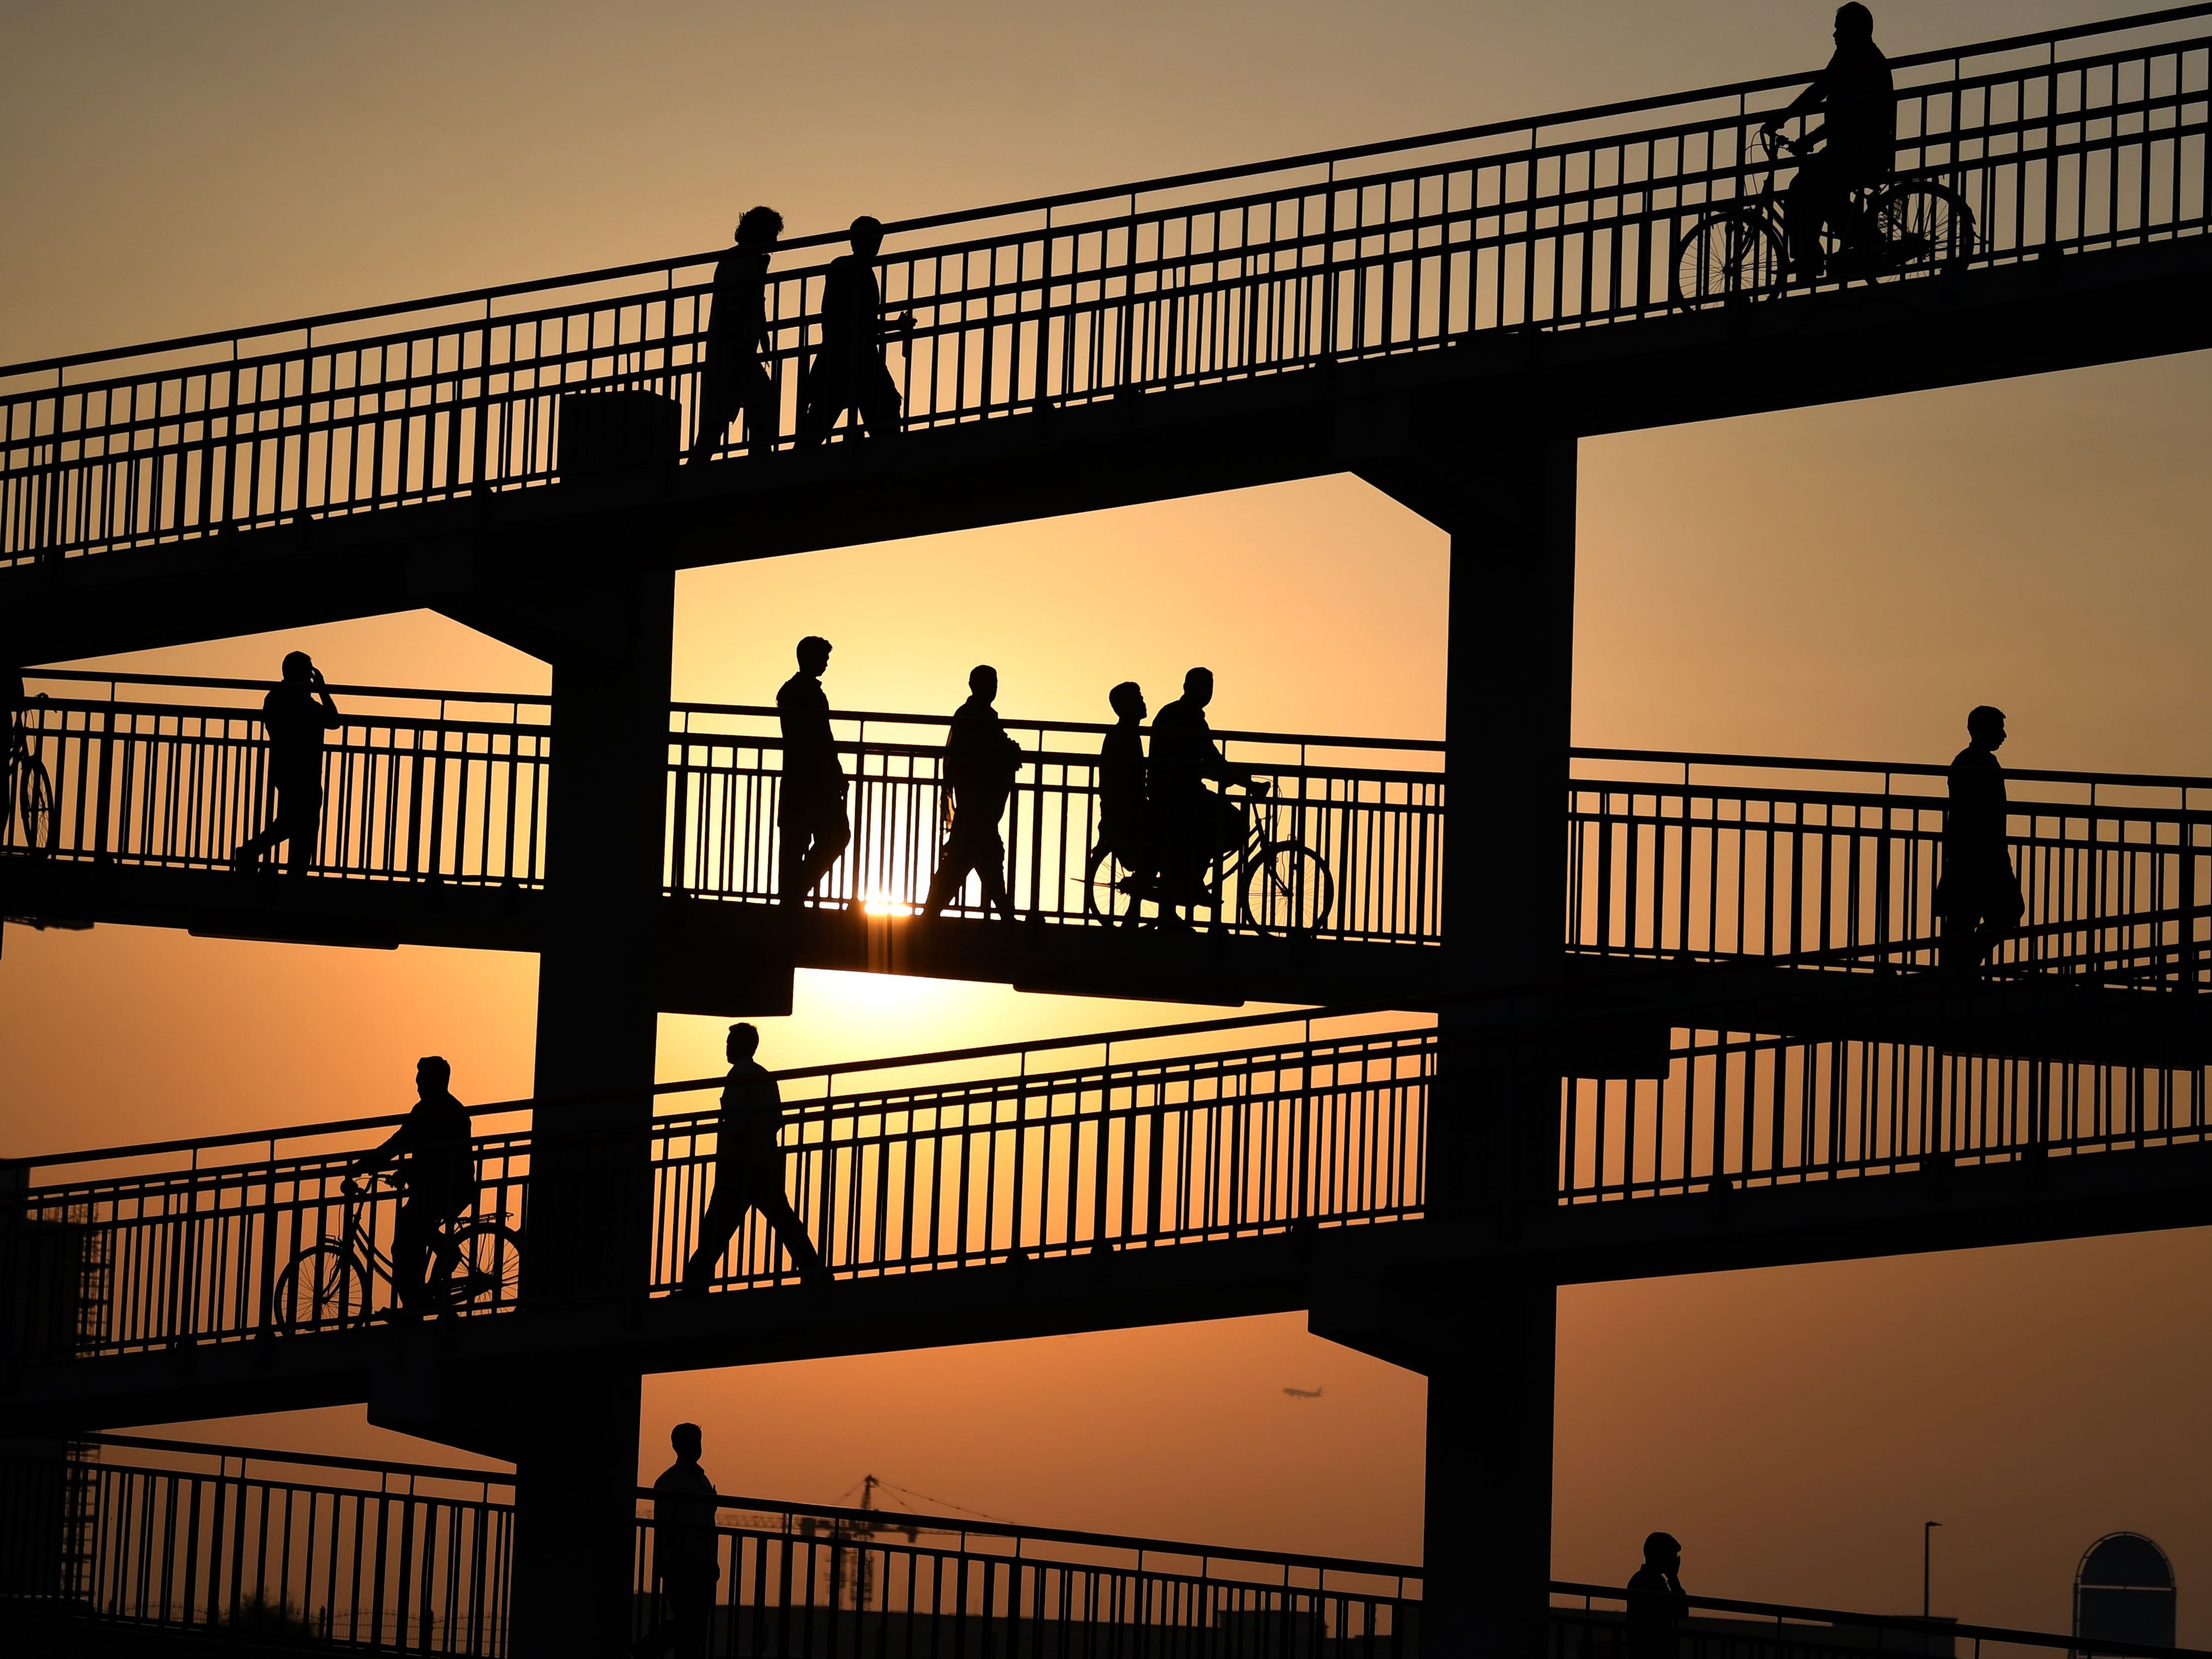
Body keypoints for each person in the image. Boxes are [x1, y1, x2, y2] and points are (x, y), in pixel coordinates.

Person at [680, 1023, 830, 1293]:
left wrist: (733, 1153)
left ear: (739, 1046)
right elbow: (777, 1120)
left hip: (740, 1166)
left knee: (715, 1228)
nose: (726, 1047)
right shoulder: (764, 1076)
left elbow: (737, 1123)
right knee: (784, 1222)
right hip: (765, 1162)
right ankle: (815, 1272)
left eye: (730, 1042)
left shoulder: (739, 1076)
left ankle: (695, 1285)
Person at [1761, 5, 1895, 280]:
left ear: (1853, 29)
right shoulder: (1859, 55)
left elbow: (1821, 89)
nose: (1834, 34)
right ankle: (1835, 250)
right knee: (1820, 191)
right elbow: (1843, 115)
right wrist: (1807, 139)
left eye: (1839, 27)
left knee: (1804, 186)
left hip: (1860, 152)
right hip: (1858, 148)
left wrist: (1784, 117)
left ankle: (1811, 259)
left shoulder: (1855, 56)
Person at [346, 1057, 476, 1316]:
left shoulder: (447, 1113)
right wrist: (381, 1167)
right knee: (410, 1237)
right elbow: (402, 1143)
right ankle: (417, 1301)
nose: (417, 1085)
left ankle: (416, 1304)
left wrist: (367, 1167)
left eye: (422, 1080)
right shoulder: (429, 1110)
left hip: (449, 1189)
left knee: (408, 1232)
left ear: (437, 1081)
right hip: (433, 1188)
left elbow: (439, 1159)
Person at [1149, 667, 1266, 923]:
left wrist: (1232, 777)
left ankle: (1185, 885)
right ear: (1187, 687)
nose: (1207, 692)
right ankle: (1192, 880)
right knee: (1232, 825)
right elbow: (1213, 759)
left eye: (1209, 688)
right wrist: (1247, 784)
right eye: (1203, 687)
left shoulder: (1179, 713)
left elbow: (1209, 760)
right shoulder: (1188, 718)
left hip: (1174, 789)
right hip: (1177, 793)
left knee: (1213, 824)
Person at [796, 216, 915, 444]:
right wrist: (892, 326)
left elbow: (858, 320)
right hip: (847, 356)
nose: (876, 246)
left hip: (846, 356)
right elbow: (852, 320)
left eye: (878, 240)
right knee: (881, 408)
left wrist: (892, 326)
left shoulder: (848, 268)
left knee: (825, 417)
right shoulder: (847, 268)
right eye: (872, 240)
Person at [921, 666, 1023, 922]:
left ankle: (929, 915)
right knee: (984, 857)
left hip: (973, 804)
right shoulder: (978, 716)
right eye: (991, 682)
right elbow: (987, 752)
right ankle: (1007, 918)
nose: (995, 687)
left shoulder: (973, 714)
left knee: (963, 861)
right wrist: (1009, 754)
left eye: (995, 682)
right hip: (977, 802)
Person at [687, 205, 785, 463]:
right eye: (772, 233)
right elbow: (741, 303)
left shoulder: (743, 259)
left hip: (733, 350)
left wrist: (761, 338)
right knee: (752, 404)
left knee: (720, 417)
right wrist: (750, 341)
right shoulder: (742, 260)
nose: (775, 240)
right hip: (733, 351)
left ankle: (695, 471)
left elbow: (752, 302)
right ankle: (759, 462)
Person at [230, 651, 342, 875]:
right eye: (308, 672)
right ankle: (280, 865)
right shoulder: (300, 701)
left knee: (296, 821)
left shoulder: (275, 697)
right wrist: (323, 691)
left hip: (286, 769)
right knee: (301, 823)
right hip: (303, 772)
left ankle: (259, 856)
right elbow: (333, 720)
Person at [1935, 705, 2023, 970]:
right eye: (1999, 729)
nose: (2004, 736)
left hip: (1969, 852)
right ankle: (1963, 966)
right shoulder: (1980, 763)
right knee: (2003, 912)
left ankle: (1958, 969)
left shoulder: (1965, 760)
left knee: (1963, 919)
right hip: (1983, 853)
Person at [632, 1423, 720, 1659]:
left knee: (692, 1626)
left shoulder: (679, 1479)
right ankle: (644, 1650)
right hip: (685, 1564)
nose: (696, 1448)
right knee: (691, 1624)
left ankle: (645, 1650)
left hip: (695, 1563)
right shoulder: (679, 1481)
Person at [777, 636, 851, 906]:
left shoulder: (788, 691)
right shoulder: (811, 694)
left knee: (794, 846)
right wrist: (836, 773)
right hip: (815, 783)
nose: (826, 663)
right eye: (823, 657)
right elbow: (822, 739)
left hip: (797, 781)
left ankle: (791, 899)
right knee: (837, 835)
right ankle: (794, 895)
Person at [1096, 680, 1154, 918]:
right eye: (1138, 698)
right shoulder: (1123, 737)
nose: (1143, 702)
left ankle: (1136, 912)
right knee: (1162, 845)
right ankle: (1139, 912)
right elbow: (1115, 784)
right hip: (1128, 814)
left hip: (1128, 811)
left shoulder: (1126, 735)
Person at [1625, 1531, 1689, 1659]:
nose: (1674, 1562)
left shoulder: (1639, 1579)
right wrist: (1673, 1578)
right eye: (1672, 1557)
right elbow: (1681, 1612)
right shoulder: (1653, 1584)